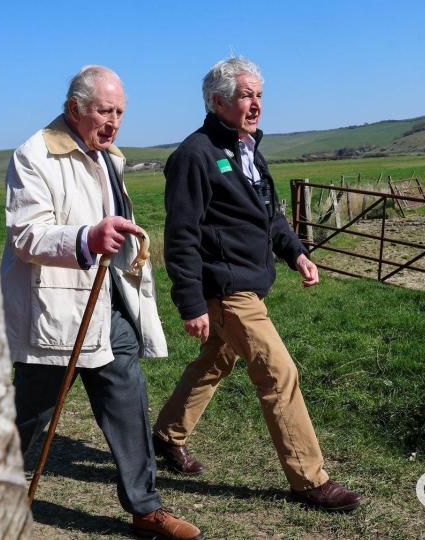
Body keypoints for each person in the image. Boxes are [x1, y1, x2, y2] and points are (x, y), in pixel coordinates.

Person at [151, 57, 364, 513]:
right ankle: (309, 479)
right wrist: (191, 303)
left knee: (215, 362)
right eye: (246, 95)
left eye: (259, 95)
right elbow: (182, 234)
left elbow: (271, 216)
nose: (255, 105)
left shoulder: (247, 149)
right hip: (227, 288)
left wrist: (297, 253)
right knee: (278, 371)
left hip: (250, 280)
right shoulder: (195, 155)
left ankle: (166, 437)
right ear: (217, 101)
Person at [1, 66, 202, 539]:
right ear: (74, 108)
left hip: (108, 305)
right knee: (29, 415)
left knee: (128, 406)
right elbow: (26, 236)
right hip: (55, 312)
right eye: (103, 111)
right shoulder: (35, 154)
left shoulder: (109, 156)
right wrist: (87, 236)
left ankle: (145, 509)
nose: (113, 122)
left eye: (120, 112)